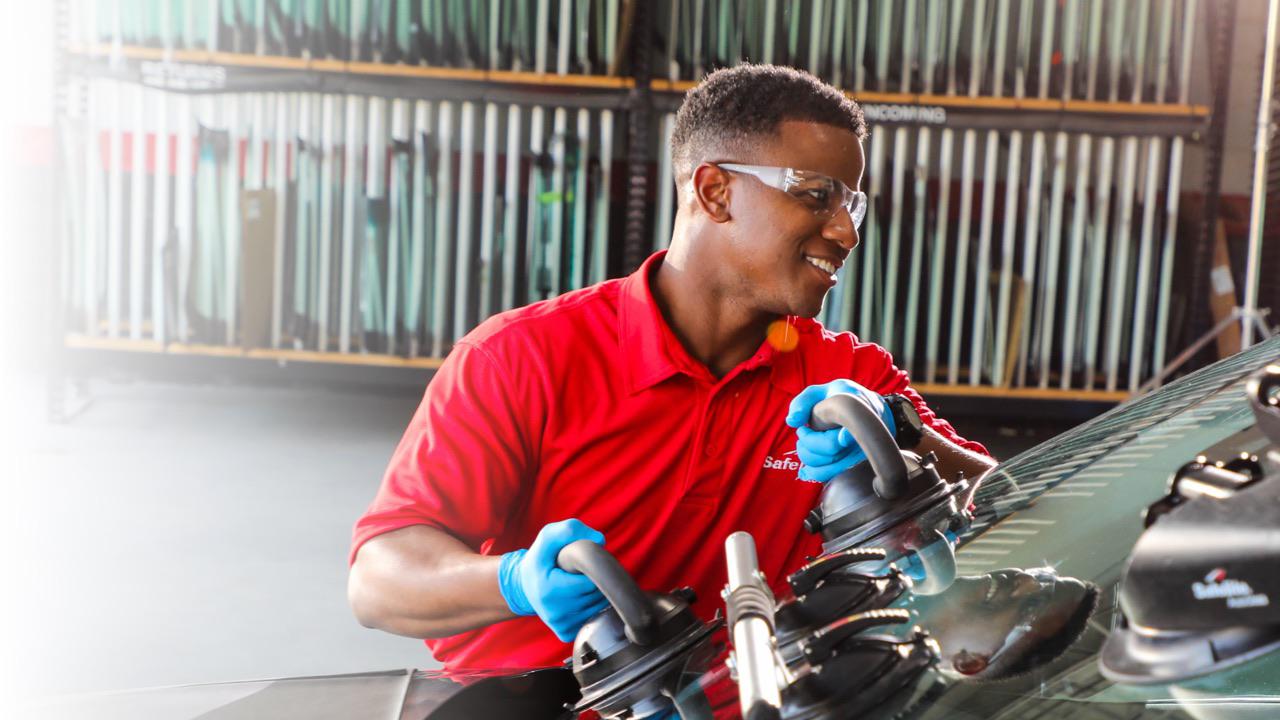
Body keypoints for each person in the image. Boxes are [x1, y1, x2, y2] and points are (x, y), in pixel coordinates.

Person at [347, 63, 996, 672]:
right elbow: (378, 582)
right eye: (816, 195)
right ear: (714, 192)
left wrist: (902, 434)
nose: (846, 233)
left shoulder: (846, 375)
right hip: (535, 699)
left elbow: (1004, 500)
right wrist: (514, 582)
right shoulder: (521, 357)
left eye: (850, 206)